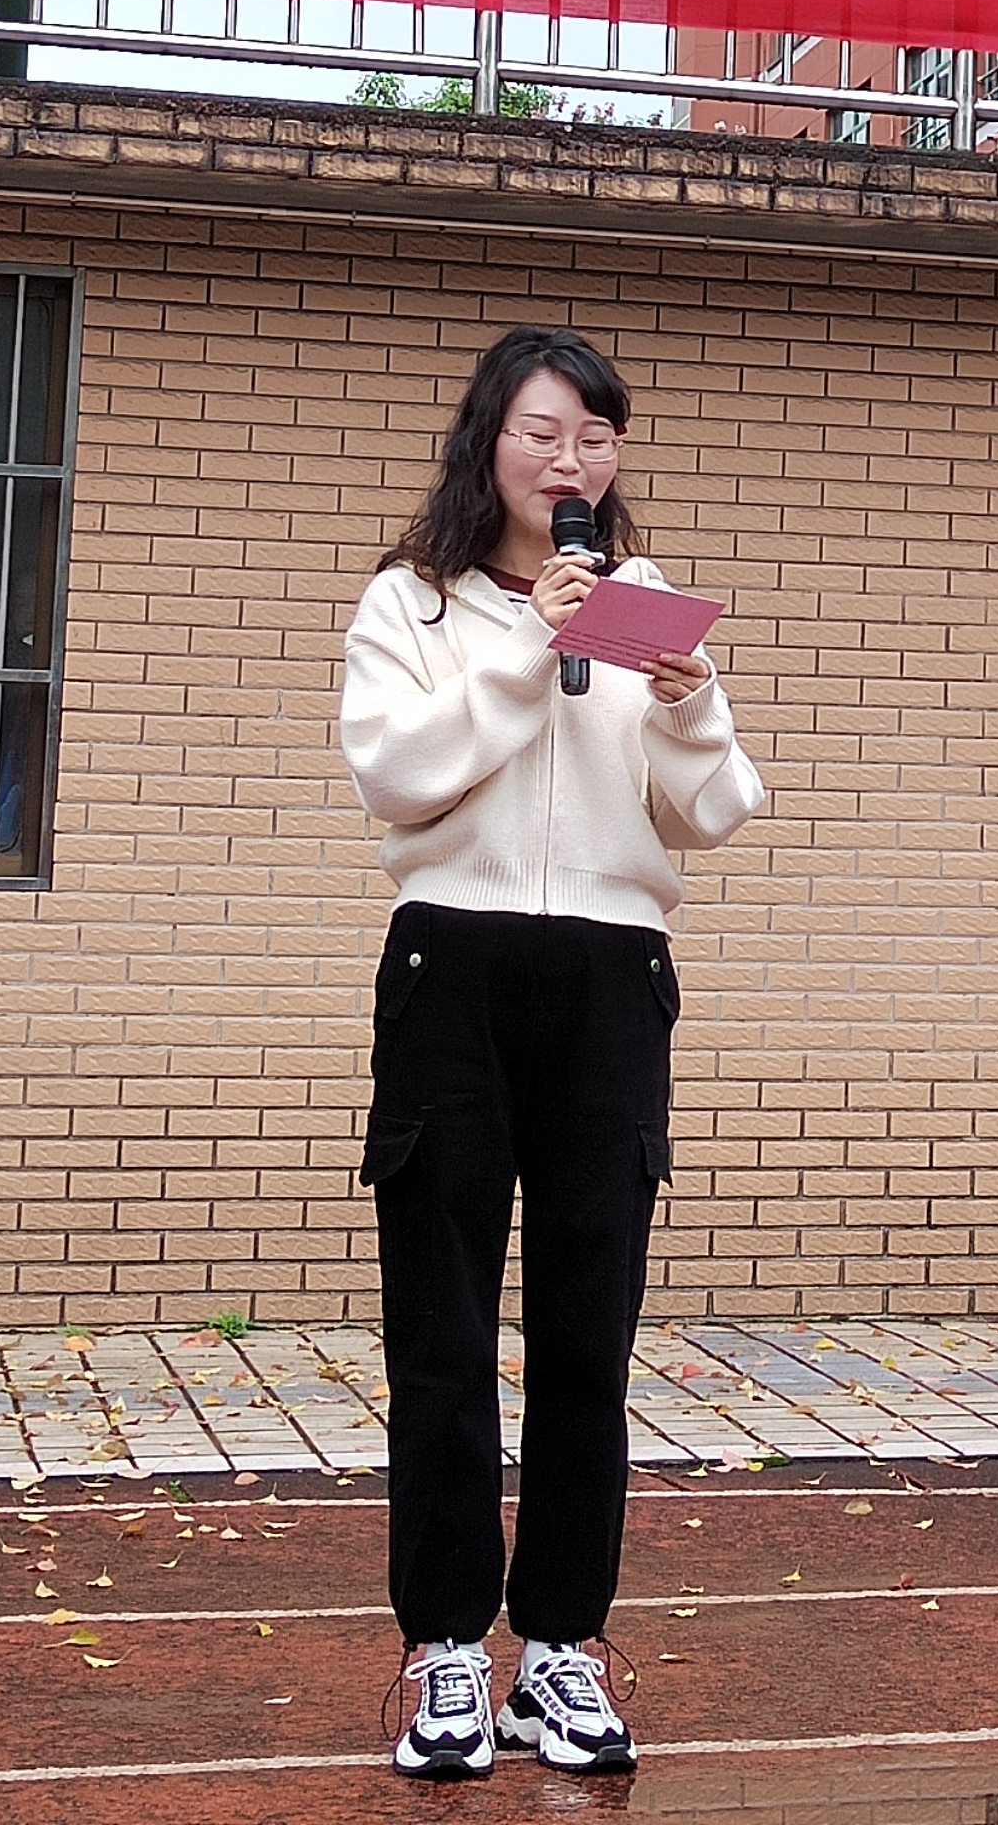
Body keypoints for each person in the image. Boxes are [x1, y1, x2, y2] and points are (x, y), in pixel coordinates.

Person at [339, 323, 763, 1778]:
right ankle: (448, 1652)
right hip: (449, 969)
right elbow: (396, 775)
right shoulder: (413, 602)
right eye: (540, 432)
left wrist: (688, 702)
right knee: (442, 1333)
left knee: (589, 1337)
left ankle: (562, 1650)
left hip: (608, 977)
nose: (568, 460)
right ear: (489, 443)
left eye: (593, 436)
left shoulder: (642, 603)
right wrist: (534, 647)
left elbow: (713, 812)